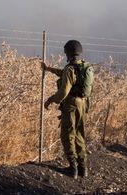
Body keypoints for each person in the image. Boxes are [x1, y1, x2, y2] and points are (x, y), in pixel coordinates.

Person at [43, 40, 93, 179]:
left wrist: (51, 99)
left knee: (67, 135)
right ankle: (83, 168)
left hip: (71, 104)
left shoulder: (70, 68)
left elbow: (63, 92)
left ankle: (73, 169)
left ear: (68, 53)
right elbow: (67, 75)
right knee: (79, 134)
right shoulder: (85, 66)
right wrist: (49, 69)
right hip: (83, 104)